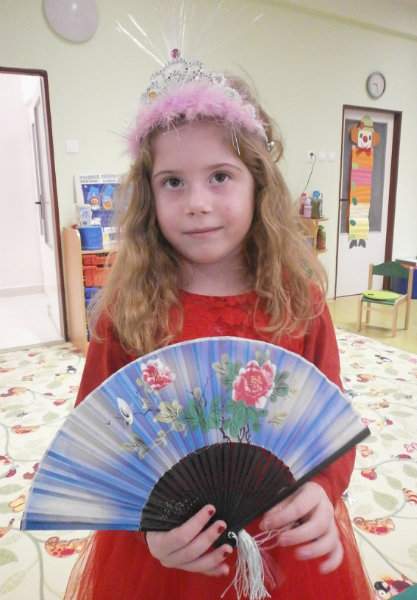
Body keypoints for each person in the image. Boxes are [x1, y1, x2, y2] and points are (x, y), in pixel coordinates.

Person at [64, 51, 375, 600]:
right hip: (167, 553)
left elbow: (330, 425)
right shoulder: (127, 311)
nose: (197, 204)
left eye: (220, 176)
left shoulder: (298, 302)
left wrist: (324, 490)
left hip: (281, 544)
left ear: (258, 183)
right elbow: (98, 440)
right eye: (173, 182)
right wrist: (145, 529)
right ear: (148, 194)